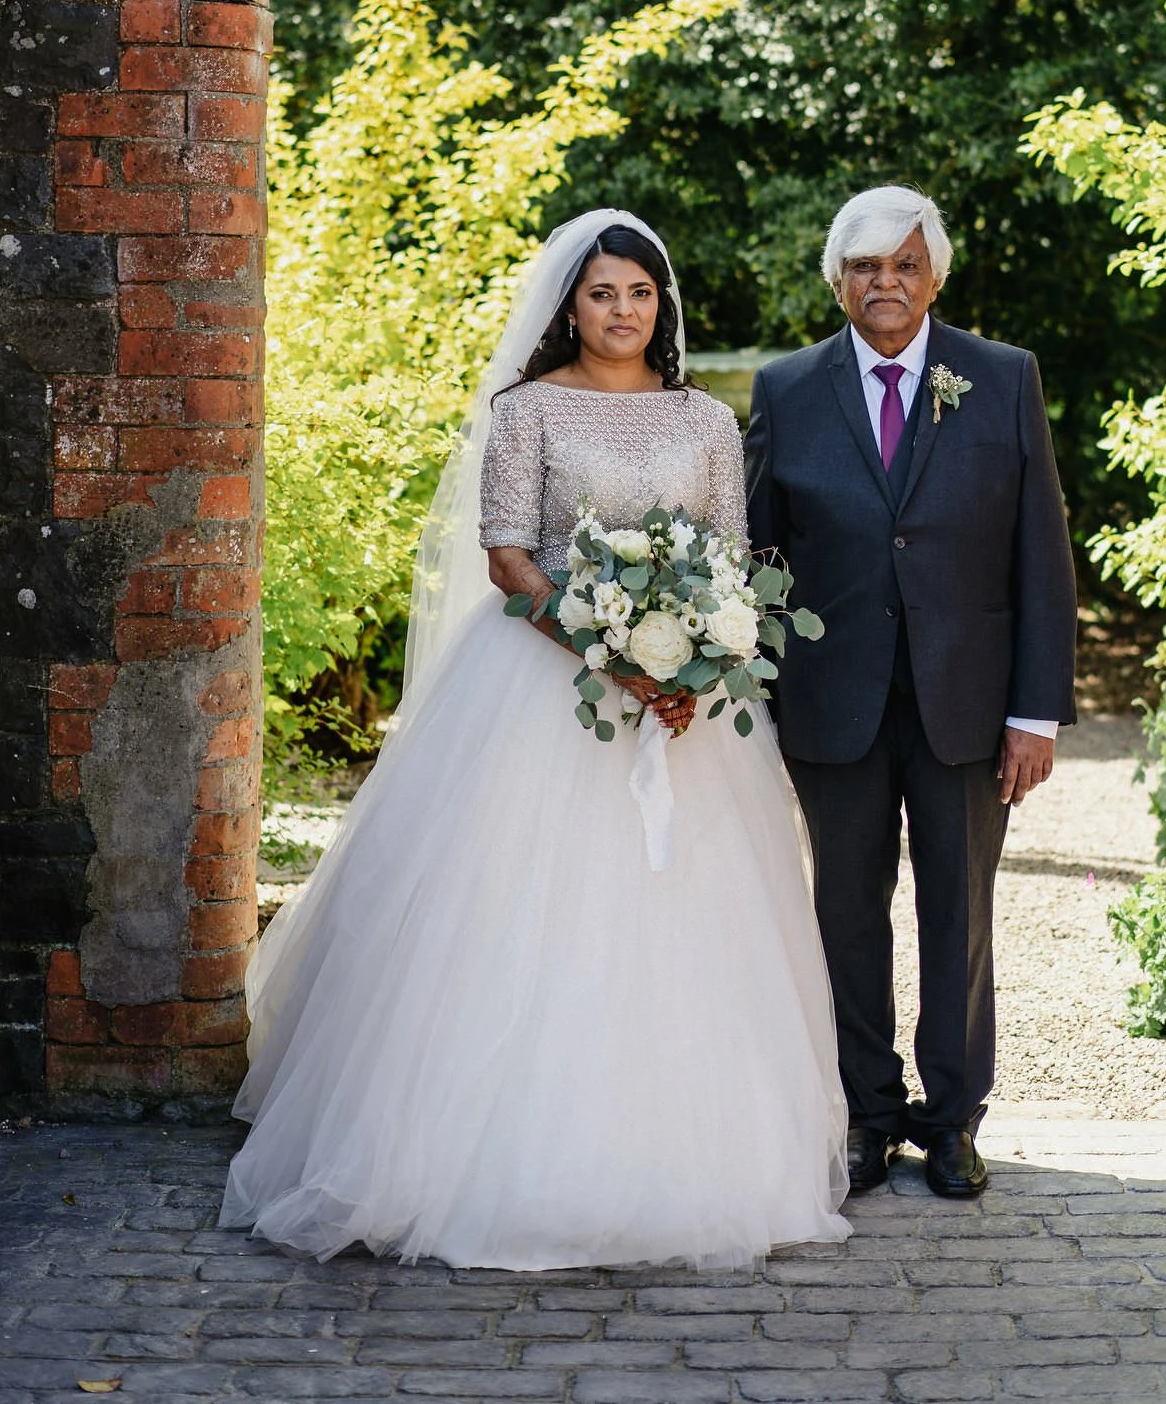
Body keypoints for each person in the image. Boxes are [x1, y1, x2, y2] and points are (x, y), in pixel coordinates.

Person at [221, 209, 849, 1269]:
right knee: (510, 911)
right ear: (571, 306)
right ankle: (472, 1157)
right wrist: (611, 655)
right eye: (602, 294)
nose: (622, 311)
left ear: (663, 306)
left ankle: (693, 1160)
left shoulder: (702, 420)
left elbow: (733, 554)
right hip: (539, 684)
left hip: (684, 709)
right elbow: (510, 556)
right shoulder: (528, 412)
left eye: (640, 294)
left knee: (690, 922)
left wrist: (697, 658)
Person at [745, 185, 1077, 1201]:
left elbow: (1041, 555)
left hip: (969, 707)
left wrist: (1034, 710)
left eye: (902, 265)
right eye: (863, 267)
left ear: (934, 274)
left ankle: (951, 1121)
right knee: (843, 914)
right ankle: (865, 1116)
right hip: (830, 702)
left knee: (957, 914)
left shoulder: (1001, 378)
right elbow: (759, 556)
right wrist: (752, 697)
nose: (884, 283)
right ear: (837, 281)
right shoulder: (786, 388)